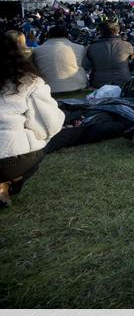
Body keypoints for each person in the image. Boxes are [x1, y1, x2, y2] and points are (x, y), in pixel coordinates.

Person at [0, 34, 65, 208]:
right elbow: (49, 125)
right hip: (10, 160)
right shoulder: (29, 82)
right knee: (42, 142)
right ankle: (5, 183)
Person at [31, 26, 87, 93]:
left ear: (48, 35)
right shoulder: (80, 48)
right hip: (77, 86)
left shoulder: (37, 50)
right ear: (68, 35)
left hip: (48, 88)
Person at [84, 21, 134, 87]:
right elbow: (132, 62)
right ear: (118, 31)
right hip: (123, 82)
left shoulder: (91, 48)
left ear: (100, 32)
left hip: (99, 84)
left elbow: (86, 67)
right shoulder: (128, 45)